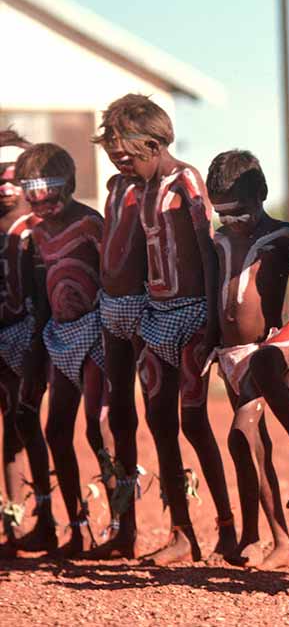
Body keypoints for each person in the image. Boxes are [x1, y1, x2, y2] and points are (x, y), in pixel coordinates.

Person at [125, 95, 234, 565]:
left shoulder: (187, 180)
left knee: (193, 421)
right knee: (160, 423)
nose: (118, 159)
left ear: (152, 144)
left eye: (125, 151)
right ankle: (181, 531)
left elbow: (208, 252)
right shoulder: (142, 188)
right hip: (156, 317)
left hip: (191, 315)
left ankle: (227, 528)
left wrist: (212, 320)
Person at [207, 149, 289, 572]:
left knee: (241, 435)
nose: (231, 224)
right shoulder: (218, 241)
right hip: (228, 356)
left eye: (238, 215)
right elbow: (212, 295)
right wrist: (209, 343)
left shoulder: (282, 237)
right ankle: (258, 535)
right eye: (223, 216)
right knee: (250, 447)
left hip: (264, 353)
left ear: (261, 197)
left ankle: (282, 540)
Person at [15, 143, 110, 557]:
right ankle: (77, 526)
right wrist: (36, 357)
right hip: (60, 335)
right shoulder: (35, 233)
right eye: (32, 192)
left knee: (96, 429)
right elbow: (40, 297)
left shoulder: (90, 223)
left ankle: (122, 526)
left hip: (95, 333)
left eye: (49, 192)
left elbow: (114, 276)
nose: (42, 203)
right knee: (56, 430)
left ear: (68, 185)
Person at [88, 96, 155, 559]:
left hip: (149, 311)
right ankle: (122, 524)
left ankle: (184, 528)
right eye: (109, 144)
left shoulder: (160, 187)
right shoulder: (115, 186)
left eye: (123, 143)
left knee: (163, 419)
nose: (116, 153)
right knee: (114, 417)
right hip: (110, 309)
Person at [0, 131, 44, 555]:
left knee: (27, 421)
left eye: (13, 177)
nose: (5, 185)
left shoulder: (35, 227)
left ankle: (49, 517)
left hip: (30, 337)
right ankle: (12, 519)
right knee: (9, 428)